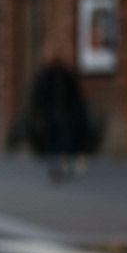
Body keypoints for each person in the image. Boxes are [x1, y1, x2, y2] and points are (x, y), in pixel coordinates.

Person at [25, 50, 89, 182]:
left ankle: (58, 164)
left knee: (58, 141)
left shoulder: (50, 75)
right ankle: (59, 164)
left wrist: (36, 111)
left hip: (58, 114)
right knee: (58, 141)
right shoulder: (56, 75)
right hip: (57, 114)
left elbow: (37, 96)